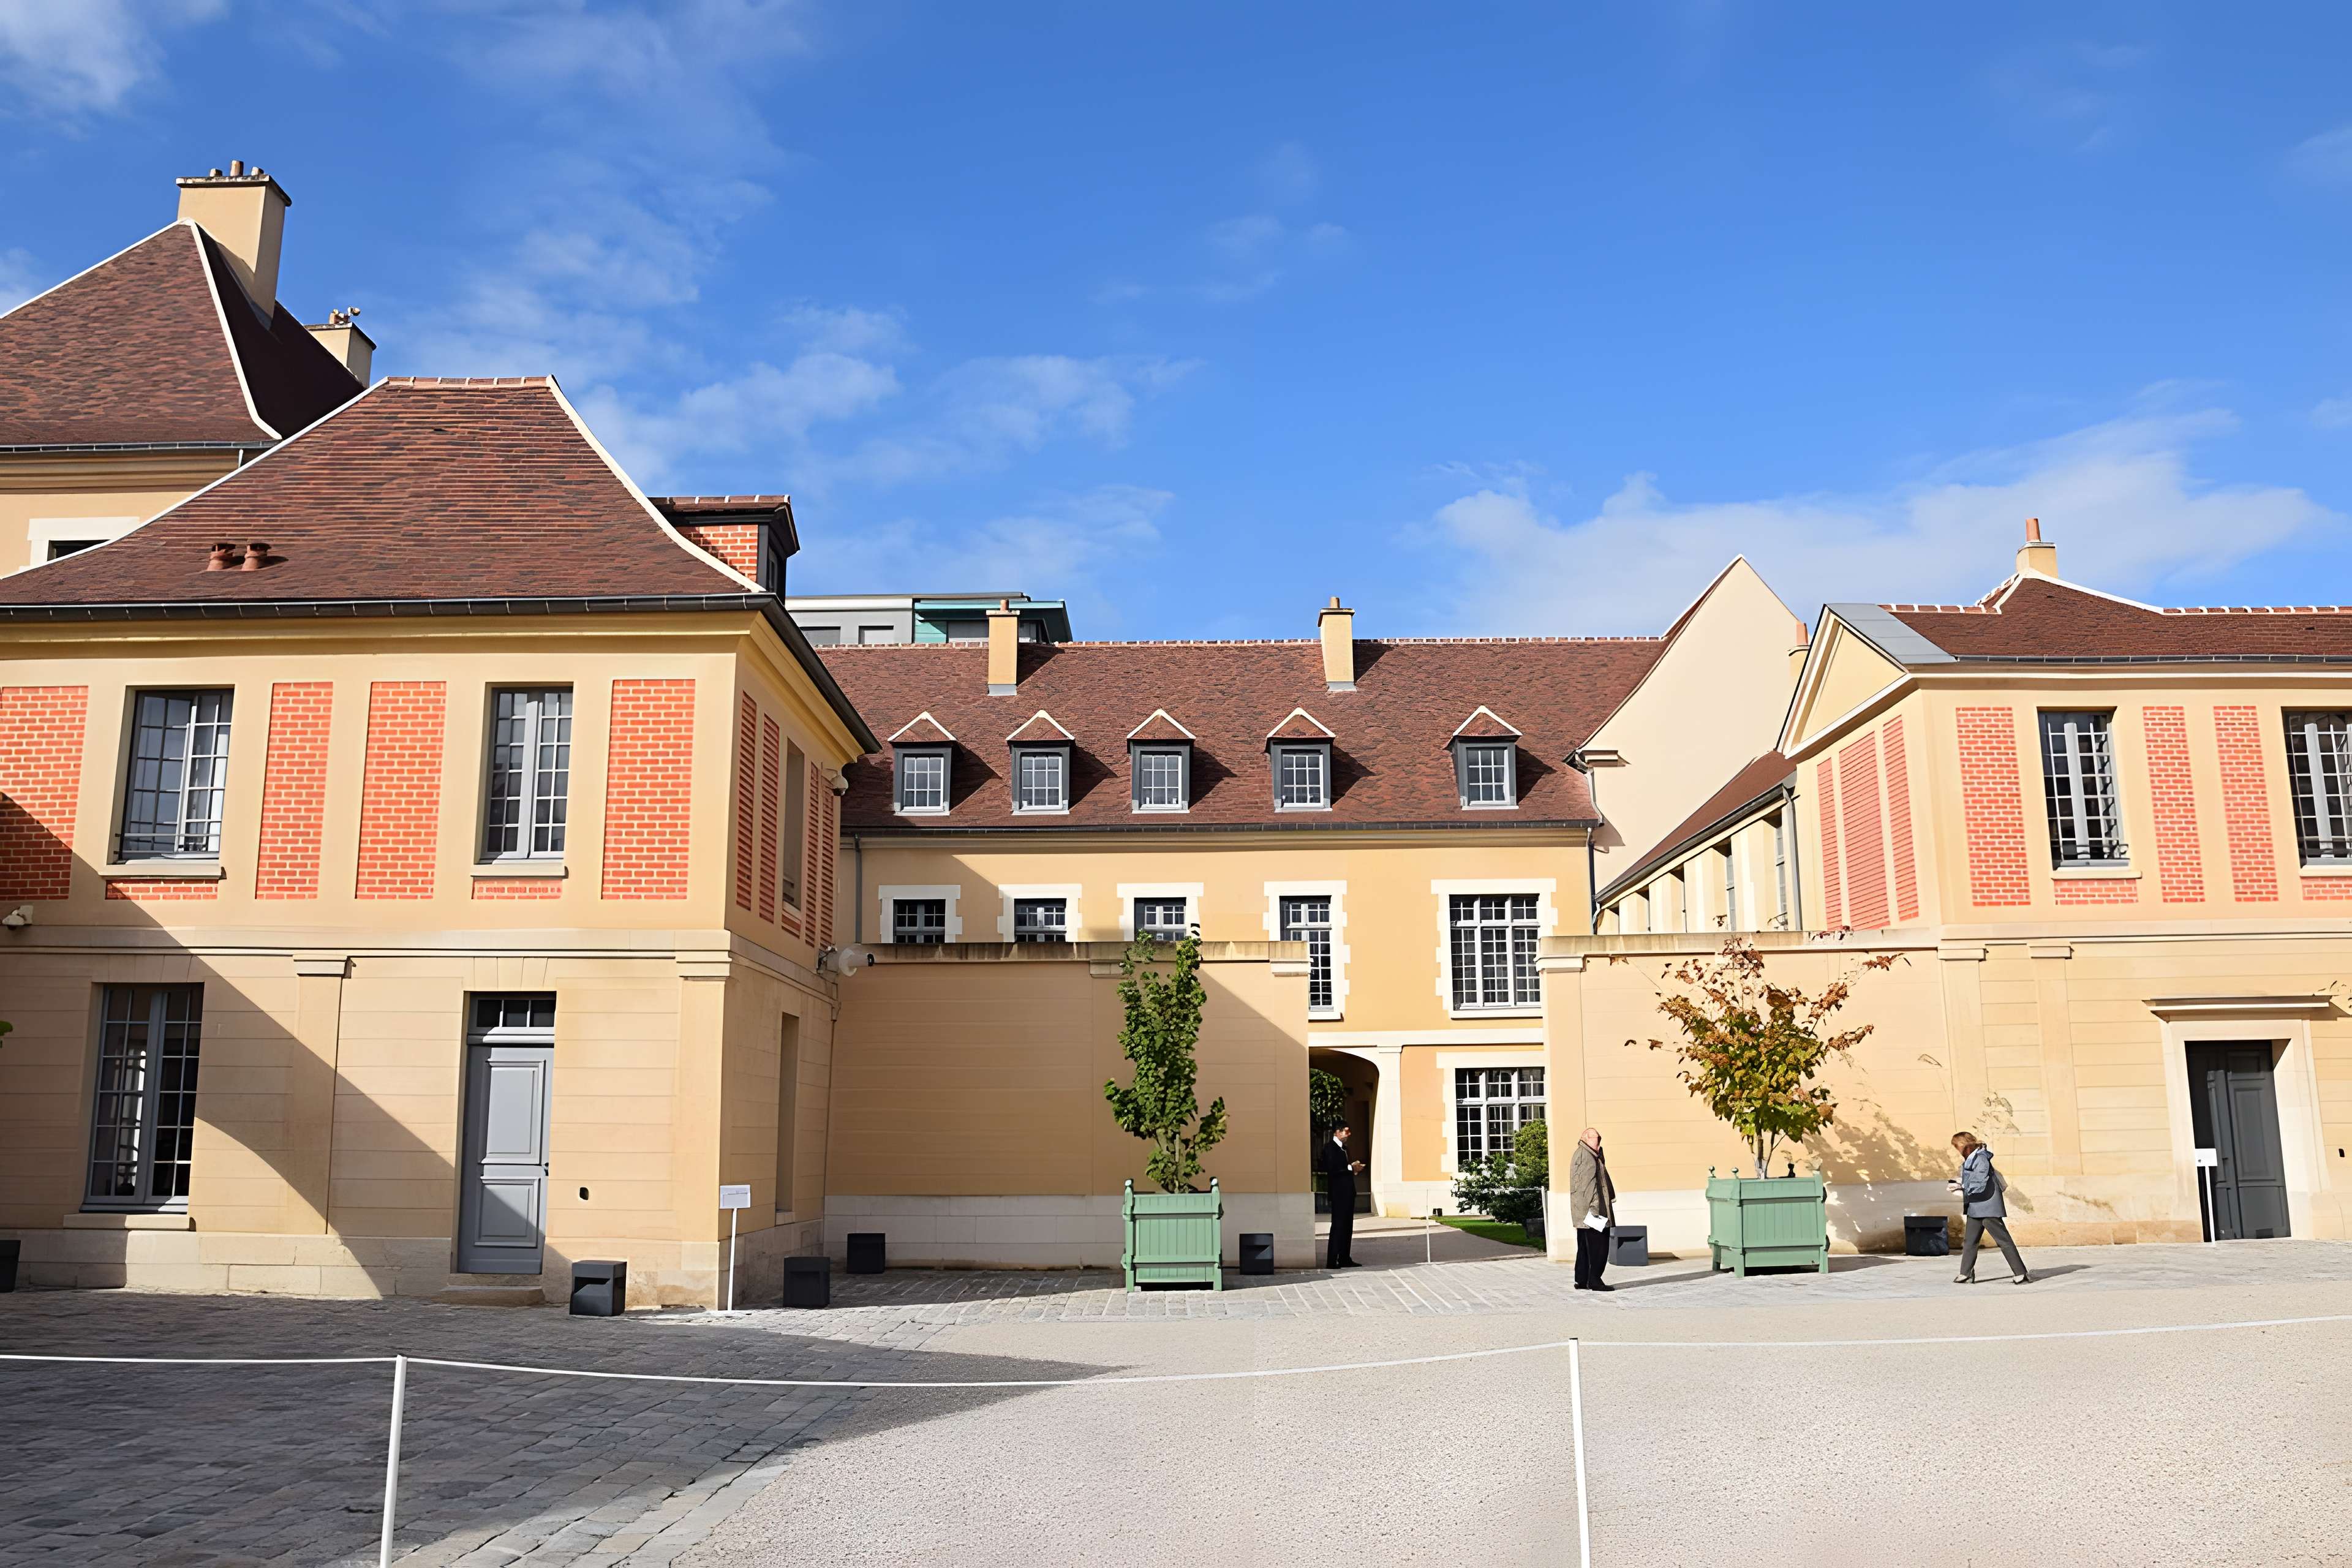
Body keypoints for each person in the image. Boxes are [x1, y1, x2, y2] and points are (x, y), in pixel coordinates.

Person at [1948, 1132, 2030, 1285]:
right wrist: (1958, 1183)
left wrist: (1962, 1186)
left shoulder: (1981, 1158)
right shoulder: (1970, 1159)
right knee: (1970, 1241)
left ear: (1964, 1145)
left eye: (1957, 1146)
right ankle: (1966, 1274)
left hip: (1987, 1206)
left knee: (2003, 1240)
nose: (1957, 1150)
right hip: (1975, 1206)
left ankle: (2021, 1273)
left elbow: (1980, 1182)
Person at [1569, 1127, 1616, 1292]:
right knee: (1599, 1246)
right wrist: (1595, 1212)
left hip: (1586, 1211)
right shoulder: (1587, 1156)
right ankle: (1594, 1280)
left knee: (1585, 1246)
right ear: (1585, 1138)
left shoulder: (1587, 1154)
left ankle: (1582, 1280)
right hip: (1592, 1212)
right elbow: (1587, 1187)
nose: (1599, 1141)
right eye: (1596, 1138)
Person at [1320, 1124, 1365, 1268]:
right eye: (1346, 1131)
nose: (1349, 1134)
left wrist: (1354, 1169)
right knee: (1338, 1226)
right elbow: (1332, 1168)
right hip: (1338, 1193)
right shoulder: (1330, 1148)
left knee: (1347, 1226)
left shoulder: (1345, 1149)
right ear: (1337, 1132)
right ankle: (1332, 1260)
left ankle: (1345, 1257)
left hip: (1348, 1192)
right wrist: (1351, 1167)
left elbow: (1345, 1169)